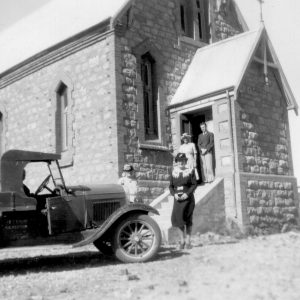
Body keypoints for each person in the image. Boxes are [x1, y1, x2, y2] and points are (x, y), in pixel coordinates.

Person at [169, 153, 197, 250]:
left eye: (183, 161)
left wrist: (187, 193)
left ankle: (188, 242)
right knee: (179, 220)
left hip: (188, 198)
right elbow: (171, 186)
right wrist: (174, 194)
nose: (181, 162)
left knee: (188, 220)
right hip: (178, 199)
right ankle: (182, 241)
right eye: (179, 161)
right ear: (176, 162)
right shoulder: (174, 172)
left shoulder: (190, 171)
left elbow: (194, 184)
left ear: (185, 161)